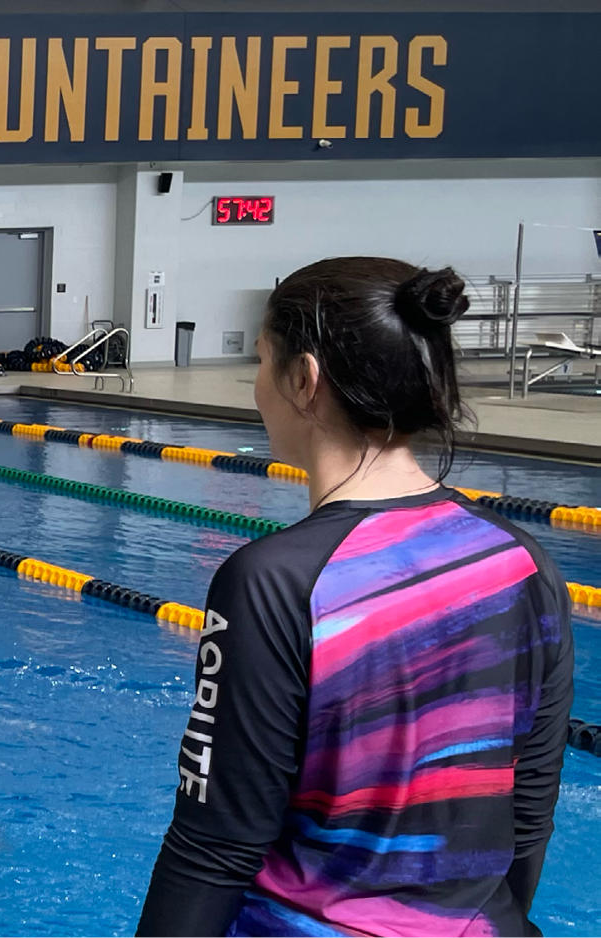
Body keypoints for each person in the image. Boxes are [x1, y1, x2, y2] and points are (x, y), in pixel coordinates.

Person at [136, 258, 573, 937]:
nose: (254, 387)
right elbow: (528, 810)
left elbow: (215, 846)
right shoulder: (522, 561)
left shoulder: (275, 581)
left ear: (304, 380)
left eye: (260, 361)